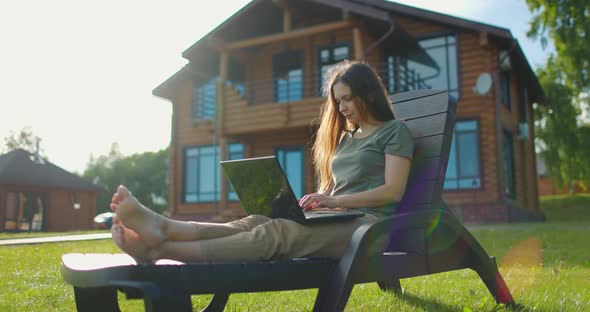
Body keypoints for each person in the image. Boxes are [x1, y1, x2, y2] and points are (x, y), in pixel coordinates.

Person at [110, 60, 414, 263]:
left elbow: (392, 191)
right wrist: (320, 203)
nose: (342, 107)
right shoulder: (348, 138)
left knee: (277, 234)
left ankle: (161, 247)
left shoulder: (393, 132)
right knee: (256, 221)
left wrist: (336, 202)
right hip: (343, 221)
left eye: (347, 99)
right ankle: (162, 227)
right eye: (337, 101)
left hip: (372, 228)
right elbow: (341, 193)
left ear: (368, 95)